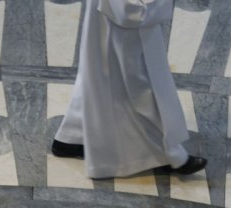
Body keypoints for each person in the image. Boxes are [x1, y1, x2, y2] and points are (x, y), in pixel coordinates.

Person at [51, 0, 206, 179]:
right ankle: (171, 155)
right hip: (121, 22)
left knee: (98, 75)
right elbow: (131, 12)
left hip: (105, 17)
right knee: (139, 87)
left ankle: (71, 137)